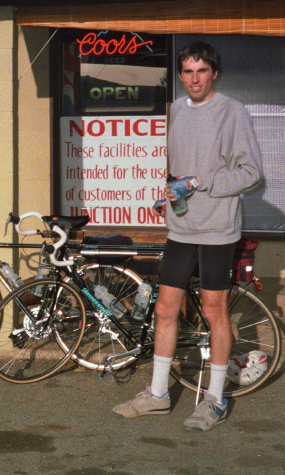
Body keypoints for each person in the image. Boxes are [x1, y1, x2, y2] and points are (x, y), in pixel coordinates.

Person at [113, 40, 263, 432]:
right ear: (180, 76)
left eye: (201, 71)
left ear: (214, 73)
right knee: (165, 309)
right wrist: (169, 193)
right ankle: (158, 394)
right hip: (181, 226)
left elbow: (250, 174)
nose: (194, 79)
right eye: (187, 72)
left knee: (214, 311)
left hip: (217, 228)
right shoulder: (177, 109)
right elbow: (179, 167)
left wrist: (198, 182)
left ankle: (214, 399)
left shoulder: (232, 111)